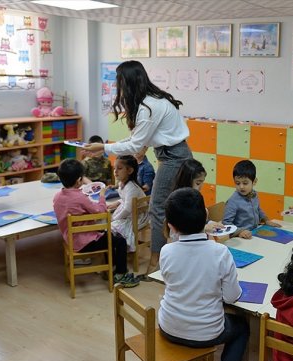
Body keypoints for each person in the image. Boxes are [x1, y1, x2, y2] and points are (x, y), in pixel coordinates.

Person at [83, 60, 192, 276]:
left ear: (129, 82)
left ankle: (155, 261)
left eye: (119, 81)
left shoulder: (149, 107)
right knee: (176, 207)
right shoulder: (151, 101)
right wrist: (106, 146)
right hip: (173, 154)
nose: (118, 87)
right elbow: (136, 140)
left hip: (174, 157)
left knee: (157, 207)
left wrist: (104, 147)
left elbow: (135, 145)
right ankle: (175, 257)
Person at [158, 188, 248, 361]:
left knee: (190, 315)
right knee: (241, 327)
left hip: (169, 326)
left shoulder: (166, 251)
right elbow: (231, 297)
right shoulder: (219, 252)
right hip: (206, 333)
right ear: (206, 216)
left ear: (171, 226)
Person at [53, 159, 138, 287]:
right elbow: (100, 211)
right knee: (120, 241)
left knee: (109, 235)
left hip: (70, 238)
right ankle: (121, 275)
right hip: (85, 242)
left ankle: (110, 269)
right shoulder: (80, 197)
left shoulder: (57, 196)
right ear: (79, 181)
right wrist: (102, 195)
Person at [222, 160, 280, 239]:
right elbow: (226, 223)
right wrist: (240, 232)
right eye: (237, 183)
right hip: (240, 237)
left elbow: (258, 209)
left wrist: (266, 220)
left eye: (245, 183)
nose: (241, 187)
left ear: (254, 182)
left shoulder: (254, 194)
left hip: (254, 232)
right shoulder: (233, 201)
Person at [170, 158, 224, 236]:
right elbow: (182, 228)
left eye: (202, 182)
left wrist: (211, 223)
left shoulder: (195, 196)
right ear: (186, 181)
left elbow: (198, 218)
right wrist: (204, 228)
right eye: (198, 183)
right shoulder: (177, 202)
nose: (201, 187)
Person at [107, 155, 148, 253]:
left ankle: (119, 248)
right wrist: (117, 202)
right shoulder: (121, 184)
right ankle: (116, 246)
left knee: (112, 226)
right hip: (130, 211)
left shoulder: (131, 187)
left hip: (138, 216)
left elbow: (127, 209)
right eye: (115, 168)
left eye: (119, 168)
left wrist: (114, 218)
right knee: (109, 220)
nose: (115, 171)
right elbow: (125, 199)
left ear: (129, 171)